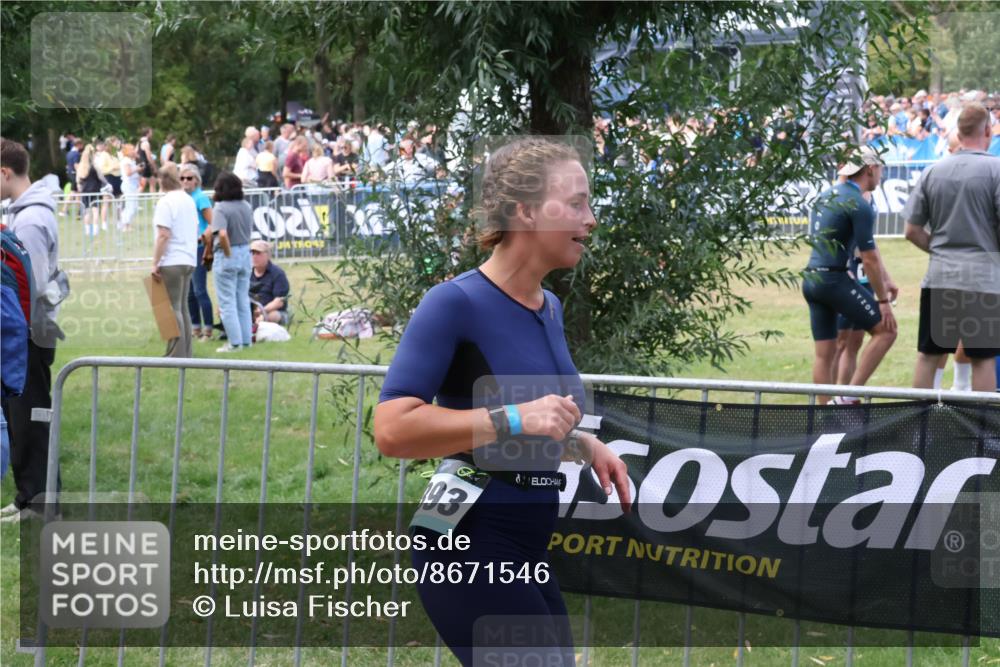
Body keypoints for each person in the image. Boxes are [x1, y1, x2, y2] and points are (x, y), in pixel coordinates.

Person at [374, 137, 630, 666]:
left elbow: (527, 423)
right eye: (578, 203)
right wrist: (515, 416)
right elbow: (393, 429)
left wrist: (582, 445)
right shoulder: (454, 303)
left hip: (526, 547)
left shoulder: (550, 306)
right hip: (466, 543)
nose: (592, 218)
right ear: (525, 212)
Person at [904, 102, 1000, 392]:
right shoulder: (996, 170)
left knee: (929, 355)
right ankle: (983, 433)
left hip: (941, 278)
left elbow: (912, 230)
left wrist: (939, 251)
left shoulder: (934, 171)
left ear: (958, 131)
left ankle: (919, 428)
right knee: (982, 358)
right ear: (987, 130)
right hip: (983, 281)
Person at [802, 146, 898, 404]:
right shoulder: (859, 204)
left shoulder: (825, 196)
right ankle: (846, 398)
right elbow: (869, 257)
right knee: (887, 330)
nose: (881, 174)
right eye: (880, 168)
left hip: (812, 279)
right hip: (834, 280)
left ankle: (823, 417)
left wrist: (885, 279)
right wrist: (883, 301)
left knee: (825, 353)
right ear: (870, 169)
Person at [0, 138, 64, 523]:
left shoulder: (31, 220)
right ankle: (29, 497)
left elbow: (34, 284)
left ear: (5, 173)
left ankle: (40, 502)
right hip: (22, 333)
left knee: (32, 418)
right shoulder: (22, 213)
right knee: (20, 416)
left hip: (30, 334)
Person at [151, 164, 199, 358]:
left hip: (172, 259)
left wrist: (155, 262)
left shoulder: (166, 202)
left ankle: (175, 354)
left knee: (171, 309)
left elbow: (163, 234)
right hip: (188, 258)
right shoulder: (188, 200)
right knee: (182, 308)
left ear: (163, 180)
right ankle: (186, 352)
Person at [210, 172, 255, 353]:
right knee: (242, 299)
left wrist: (227, 253)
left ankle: (234, 343)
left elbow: (221, 233)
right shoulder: (246, 206)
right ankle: (246, 340)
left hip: (228, 254)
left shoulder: (220, 208)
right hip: (245, 251)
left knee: (227, 302)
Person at [179, 163, 215, 341]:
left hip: (199, 247)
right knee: (189, 292)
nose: (185, 181)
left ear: (196, 181)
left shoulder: (200, 197)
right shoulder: (181, 198)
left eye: (189, 178)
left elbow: (212, 222)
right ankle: (195, 327)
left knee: (200, 289)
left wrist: (204, 238)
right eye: (182, 178)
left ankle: (208, 328)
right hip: (185, 247)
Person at [249, 240, 290, 326]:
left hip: (273, 311)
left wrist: (261, 311)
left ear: (268, 255)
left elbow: (279, 301)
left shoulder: (278, 274)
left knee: (272, 316)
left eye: (258, 253)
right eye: (252, 253)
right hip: (250, 311)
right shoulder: (246, 273)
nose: (254, 256)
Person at [76, 143, 107, 237]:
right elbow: (101, 177)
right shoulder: (94, 166)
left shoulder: (81, 166)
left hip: (85, 191)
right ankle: (95, 230)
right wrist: (107, 183)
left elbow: (78, 180)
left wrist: (79, 187)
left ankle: (87, 230)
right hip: (95, 190)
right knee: (95, 210)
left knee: (86, 211)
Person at [118, 143, 142, 231]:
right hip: (128, 185)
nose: (134, 151)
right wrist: (137, 169)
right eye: (132, 149)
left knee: (132, 205)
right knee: (131, 206)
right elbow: (128, 173)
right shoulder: (126, 160)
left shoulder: (131, 160)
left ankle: (126, 224)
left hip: (132, 185)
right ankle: (125, 224)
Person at [137, 127, 157, 193]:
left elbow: (136, 152)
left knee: (152, 182)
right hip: (146, 166)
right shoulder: (146, 143)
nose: (152, 134)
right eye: (151, 132)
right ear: (147, 133)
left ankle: (154, 201)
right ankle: (134, 199)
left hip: (143, 164)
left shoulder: (139, 142)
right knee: (142, 186)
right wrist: (154, 167)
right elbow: (149, 157)